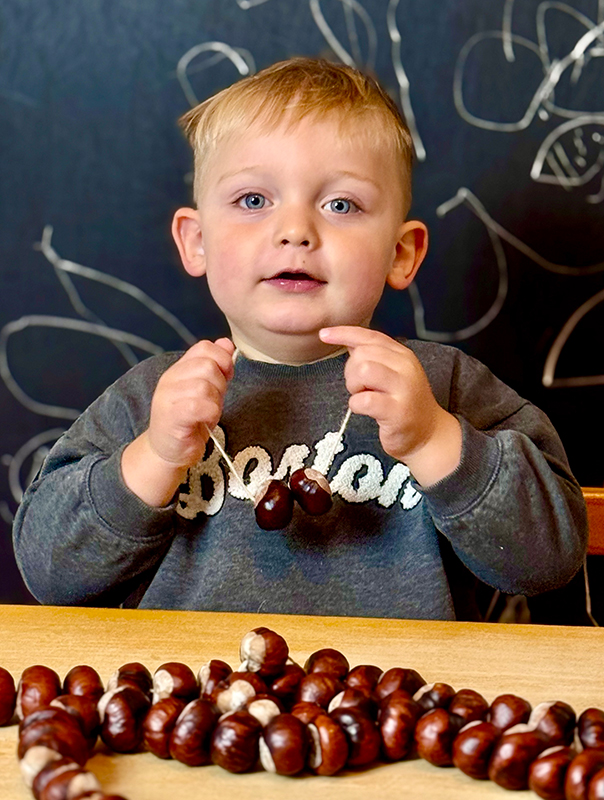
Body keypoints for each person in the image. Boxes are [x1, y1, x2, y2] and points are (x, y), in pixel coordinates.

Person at [13, 58, 587, 619]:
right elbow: (48, 572)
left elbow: (550, 560)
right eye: (253, 201)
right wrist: (155, 457)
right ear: (197, 241)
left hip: (401, 683)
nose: (295, 231)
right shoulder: (154, 398)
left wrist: (434, 438)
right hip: (194, 683)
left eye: (341, 204)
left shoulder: (444, 387)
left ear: (400, 252)